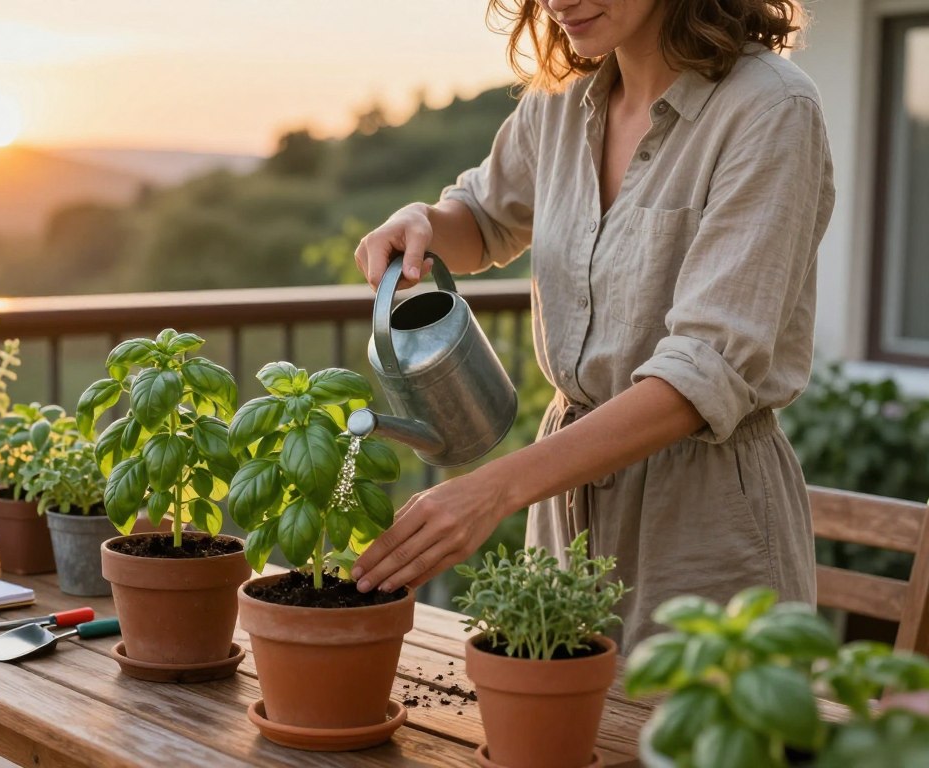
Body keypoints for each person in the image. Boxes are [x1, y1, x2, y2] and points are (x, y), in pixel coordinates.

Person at [349, 0, 834, 649]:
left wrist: (492, 491)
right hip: (564, 512)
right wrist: (423, 224)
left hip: (704, 526)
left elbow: (701, 375)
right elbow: (485, 219)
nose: (557, 3)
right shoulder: (562, 100)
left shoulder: (770, 110)